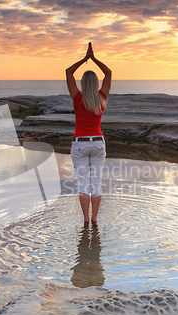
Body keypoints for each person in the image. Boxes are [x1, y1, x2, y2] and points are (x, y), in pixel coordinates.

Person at [66, 42, 112, 225]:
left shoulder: (77, 98)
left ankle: (85, 218)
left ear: (83, 84)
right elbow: (109, 73)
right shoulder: (102, 97)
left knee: (83, 184)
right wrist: (94, 59)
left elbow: (68, 72)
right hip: (98, 143)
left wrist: (84, 59)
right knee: (97, 183)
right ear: (97, 83)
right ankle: (94, 218)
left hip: (79, 143)